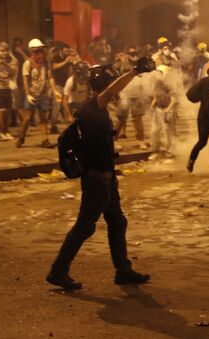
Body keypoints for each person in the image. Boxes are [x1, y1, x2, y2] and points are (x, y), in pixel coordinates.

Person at [46, 57, 154, 290]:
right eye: (112, 83)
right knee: (85, 226)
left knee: (117, 221)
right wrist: (134, 71)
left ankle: (123, 270)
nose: (116, 89)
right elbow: (110, 90)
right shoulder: (94, 105)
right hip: (97, 180)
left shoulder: (94, 109)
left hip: (105, 178)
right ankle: (58, 271)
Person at [15, 39, 57, 148]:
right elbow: (25, 80)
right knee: (27, 118)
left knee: (43, 118)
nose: (40, 53)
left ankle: (45, 140)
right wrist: (28, 94)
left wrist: (54, 90)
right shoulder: (27, 64)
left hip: (42, 94)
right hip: (32, 94)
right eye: (37, 51)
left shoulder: (46, 63)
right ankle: (22, 137)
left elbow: (50, 77)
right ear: (32, 51)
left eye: (41, 50)